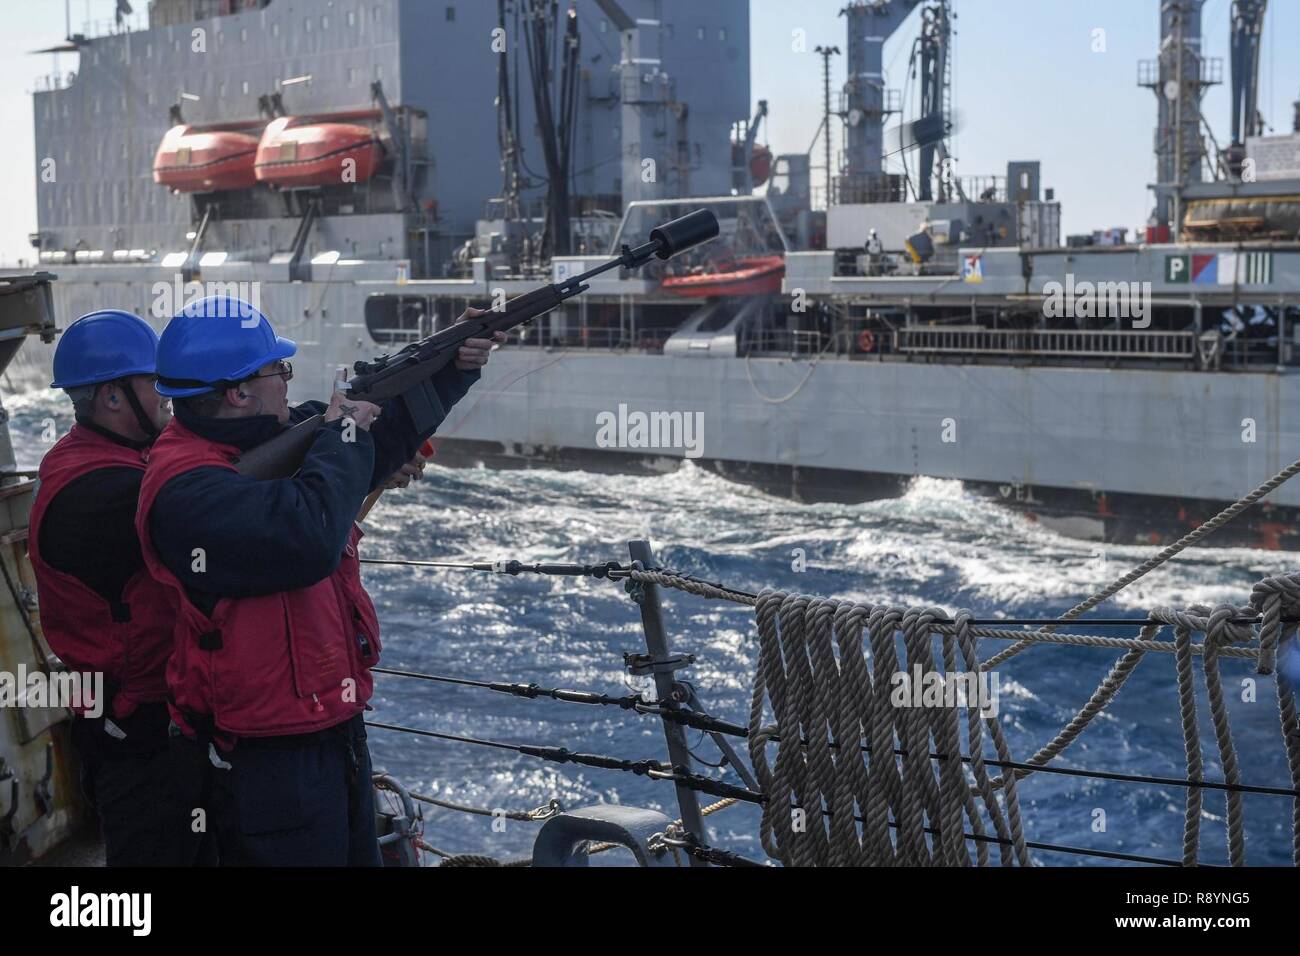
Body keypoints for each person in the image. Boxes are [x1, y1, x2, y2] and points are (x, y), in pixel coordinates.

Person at [135, 295, 501, 866]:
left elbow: (375, 447)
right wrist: (344, 434)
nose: (287, 380)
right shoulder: (187, 490)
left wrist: (453, 364)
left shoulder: (266, 441)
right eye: (277, 370)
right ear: (237, 391)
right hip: (264, 750)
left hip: (327, 722)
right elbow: (310, 535)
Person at [28, 309, 203, 865]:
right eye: (154, 383)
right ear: (111, 397)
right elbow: (210, 504)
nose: (167, 395)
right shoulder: (100, 489)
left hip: (145, 715)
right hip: (137, 727)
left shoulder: (103, 458)